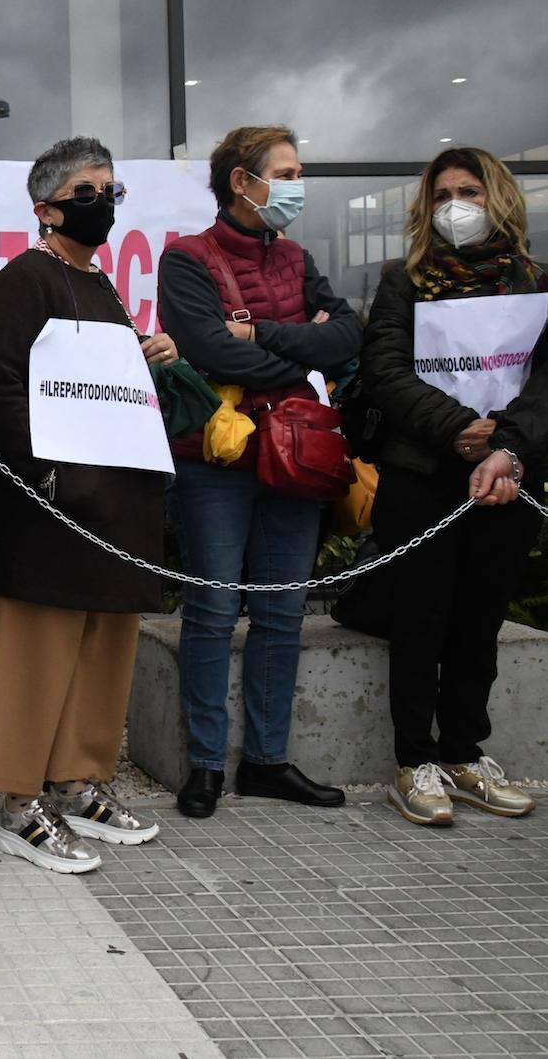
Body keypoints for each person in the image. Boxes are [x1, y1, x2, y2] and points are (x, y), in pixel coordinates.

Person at [0, 135, 173, 873]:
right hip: (53, 507)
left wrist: (142, 355)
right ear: (46, 207)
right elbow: (2, 386)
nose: (101, 203)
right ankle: (19, 802)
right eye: (87, 190)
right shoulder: (25, 279)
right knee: (40, 651)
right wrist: (45, 480)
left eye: (109, 190)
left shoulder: (104, 285)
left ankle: (82, 779)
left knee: (106, 647)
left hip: (117, 504)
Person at [157, 126, 358, 818]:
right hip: (217, 461)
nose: (298, 184)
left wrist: (268, 336)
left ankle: (267, 762)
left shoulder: (299, 258)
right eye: (288, 171)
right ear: (242, 182)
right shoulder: (186, 259)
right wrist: (307, 353)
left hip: (298, 452)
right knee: (213, 608)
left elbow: (348, 337)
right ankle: (207, 764)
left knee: (281, 608)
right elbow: (212, 352)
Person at [360, 147, 545, 826]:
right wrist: (459, 426)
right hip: (424, 476)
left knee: (477, 623)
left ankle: (466, 754)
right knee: (420, 622)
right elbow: (384, 367)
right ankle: (416, 762)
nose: (455, 205)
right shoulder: (404, 282)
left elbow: (542, 385)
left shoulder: (536, 282)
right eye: (442, 194)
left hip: (505, 481)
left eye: (468, 190)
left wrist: (506, 446)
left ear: (499, 198)